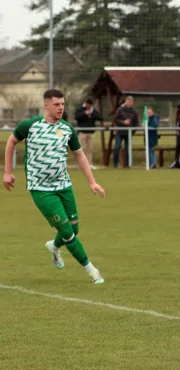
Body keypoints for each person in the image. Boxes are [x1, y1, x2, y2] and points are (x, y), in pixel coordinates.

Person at [3, 89, 106, 284]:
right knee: (68, 233)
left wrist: (92, 181)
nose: (61, 108)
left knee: (74, 230)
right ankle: (92, 270)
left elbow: (80, 155)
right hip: (41, 189)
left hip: (64, 185)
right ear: (47, 105)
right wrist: (7, 172)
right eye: (57, 104)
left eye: (63, 104)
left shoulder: (67, 129)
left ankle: (53, 246)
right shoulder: (30, 125)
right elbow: (11, 141)